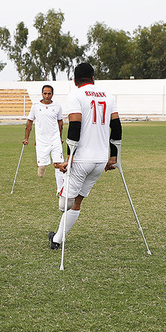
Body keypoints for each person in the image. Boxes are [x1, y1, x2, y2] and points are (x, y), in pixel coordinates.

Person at [49, 63, 122, 249]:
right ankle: (57, 238)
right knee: (77, 201)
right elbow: (117, 126)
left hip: (81, 159)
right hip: (99, 161)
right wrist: (113, 156)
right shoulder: (109, 96)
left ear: (74, 80)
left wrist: (69, 159)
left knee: (64, 204)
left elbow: (74, 127)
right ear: (93, 78)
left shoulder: (75, 95)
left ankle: (57, 238)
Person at [23, 84, 64, 193]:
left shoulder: (57, 106)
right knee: (41, 170)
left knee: (58, 164)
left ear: (52, 94)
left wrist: (60, 137)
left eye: (49, 93)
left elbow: (60, 122)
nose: (47, 96)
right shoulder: (35, 106)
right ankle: (41, 166)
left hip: (55, 139)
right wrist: (26, 138)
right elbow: (29, 122)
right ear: (42, 94)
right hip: (41, 141)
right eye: (45, 93)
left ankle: (60, 190)